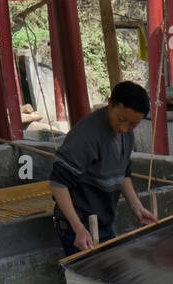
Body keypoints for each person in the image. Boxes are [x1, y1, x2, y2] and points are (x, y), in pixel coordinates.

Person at [49, 80, 159, 255]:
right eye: (121, 119)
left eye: (133, 124)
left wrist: (137, 207)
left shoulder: (126, 133)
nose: (124, 128)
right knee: (89, 279)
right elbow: (58, 183)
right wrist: (78, 228)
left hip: (104, 220)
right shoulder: (87, 135)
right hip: (78, 225)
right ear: (110, 103)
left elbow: (124, 172)